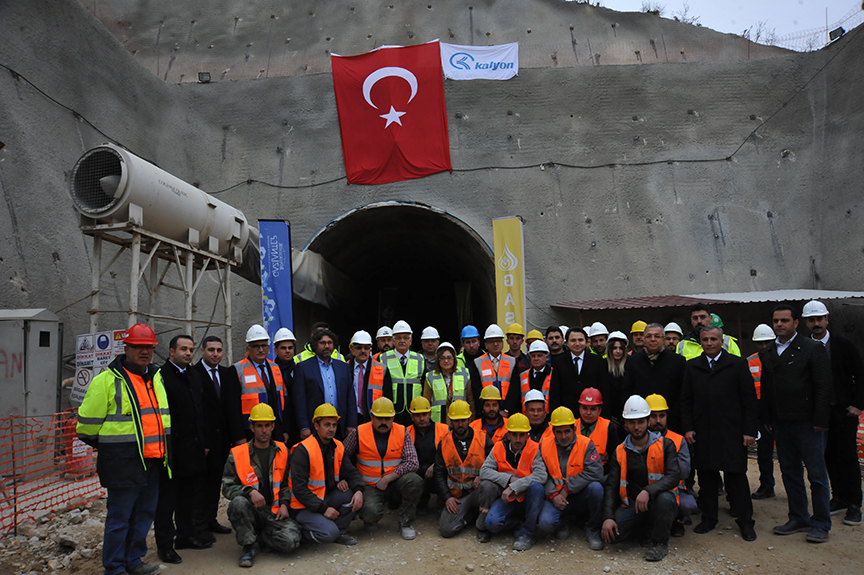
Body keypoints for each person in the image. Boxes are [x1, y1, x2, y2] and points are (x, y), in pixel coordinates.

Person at [76, 323, 170, 575]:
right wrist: (112, 448)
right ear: (126, 348)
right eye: (138, 347)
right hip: (122, 463)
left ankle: (134, 561)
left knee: (144, 515)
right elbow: (85, 428)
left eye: (148, 347)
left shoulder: (155, 378)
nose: (144, 352)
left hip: (152, 461)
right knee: (119, 519)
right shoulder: (105, 381)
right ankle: (115, 568)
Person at [760, 304, 833, 542]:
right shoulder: (770, 351)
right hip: (782, 423)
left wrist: (821, 420)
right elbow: (768, 388)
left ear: (796, 323)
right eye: (776, 321)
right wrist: (768, 417)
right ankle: (799, 517)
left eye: (784, 321)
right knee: (790, 473)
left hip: (808, 424)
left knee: (816, 475)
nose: (779, 325)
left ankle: (821, 522)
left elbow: (823, 386)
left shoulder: (812, 349)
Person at [680, 325, 758, 541]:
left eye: (714, 339)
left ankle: (745, 522)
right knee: (707, 478)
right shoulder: (693, 367)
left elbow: (749, 400)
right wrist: (688, 427)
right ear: (701, 342)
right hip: (704, 432)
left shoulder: (737, 364)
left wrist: (749, 431)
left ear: (721, 341)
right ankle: (709, 518)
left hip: (732, 432)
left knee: (737, 479)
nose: (709, 343)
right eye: (705, 340)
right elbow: (685, 401)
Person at [801, 300, 864, 526]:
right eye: (812, 320)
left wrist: (858, 405)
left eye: (820, 319)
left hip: (842, 412)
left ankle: (855, 504)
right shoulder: (804, 347)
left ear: (827, 320)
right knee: (827, 457)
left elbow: (860, 374)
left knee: (847, 457)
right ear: (806, 323)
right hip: (818, 414)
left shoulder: (843, 345)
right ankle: (839, 497)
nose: (816, 323)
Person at [601, 395, 680, 562]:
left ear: (648, 421)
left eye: (640, 422)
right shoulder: (620, 451)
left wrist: (648, 491)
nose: (636, 427)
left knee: (665, 498)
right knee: (614, 537)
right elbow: (611, 486)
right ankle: (647, 528)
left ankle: (659, 543)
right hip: (634, 504)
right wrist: (608, 517)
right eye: (632, 422)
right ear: (626, 424)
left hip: (660, 501)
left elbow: (674, 476)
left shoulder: (666, 445)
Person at [222, 403, 300, 567]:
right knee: (238, 503)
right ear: (252, 427)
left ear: (272, 426)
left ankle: (262, 536)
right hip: (250, 509)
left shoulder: (283, 450)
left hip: (275, 511)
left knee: (292, 542)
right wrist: (249, 491)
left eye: (267, 425)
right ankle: (248, 546)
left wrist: (285, 504)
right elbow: (227, 487)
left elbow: (287, 483)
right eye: (259, 426)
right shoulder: (237, 454)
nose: (263, 430)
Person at [155, 335, 211, 562]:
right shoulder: (161, 377)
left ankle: (186, 536)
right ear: (171, 352)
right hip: (171, 450)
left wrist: (204, 443)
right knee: (167, 501)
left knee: (189, 497)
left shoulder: (194, 375)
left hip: (193, 448)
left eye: (191, 350)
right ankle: (165, 545)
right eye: (183, 349)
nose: (188, 353)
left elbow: (200, 412)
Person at [343, 397, 423, 540]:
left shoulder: (402, 432)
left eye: (388, 418)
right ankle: (370, 519)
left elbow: (413, 462)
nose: (384, 422)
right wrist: (347, 479)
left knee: (414, 481)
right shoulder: (358, 432)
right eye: (379, 418)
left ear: (393, 418)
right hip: (369, 486)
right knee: (370, 513)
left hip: (394, 482)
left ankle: (405, 523)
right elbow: (340, 457)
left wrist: (388, 478)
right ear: (372, 417)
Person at [289, 403, 364, 546]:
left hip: (324, 499)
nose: (331, 429)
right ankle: (301, 533)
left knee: (352, 492)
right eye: (327, 425)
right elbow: (299, 489)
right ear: (316, 426)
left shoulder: (338, 446)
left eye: (334, 425)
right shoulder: (303, 450)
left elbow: (351, 472)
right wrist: (324, 510)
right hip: (303, 506)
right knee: (329, 533)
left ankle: (339, 531)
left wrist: (359, 490)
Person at [193, 335, 245, 538]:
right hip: (204, 442)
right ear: (202, 351)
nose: (216, 354)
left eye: (219, 350)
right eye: (211, 350)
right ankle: (198, 526)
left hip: (224, 441)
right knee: (200, 486)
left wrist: (238, 438)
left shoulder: (228, 373)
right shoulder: (194, 374)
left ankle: (211, 520)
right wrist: (202, 442)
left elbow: (234, 408)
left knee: (216, 483)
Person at [537, 406, 605, 550]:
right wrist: (553, 494)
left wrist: (567, 489)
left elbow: (597, 472)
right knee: (545, 524)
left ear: (574, 430)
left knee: (596, 488)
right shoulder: (544, 445)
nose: (564, 436)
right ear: (553, 431)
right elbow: (541, 474)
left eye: (567, 431)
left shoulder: (586, 444)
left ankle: (593, 529)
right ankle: (564, 521)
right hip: (555, 497)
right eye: (559, 432)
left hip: (578, 494)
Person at [480, 413, 548, 551]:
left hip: (528, 498)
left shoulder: (535, 448)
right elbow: (484, 471)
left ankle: (528, 534)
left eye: (522, 435)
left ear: (527, 435)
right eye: (514, 434)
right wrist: (509, 479)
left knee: (537, 488)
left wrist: (514, 486)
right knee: (492, 523)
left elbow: (541, 475)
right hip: (508, 500)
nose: (518, 439)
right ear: (508, 434)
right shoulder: (499, 447)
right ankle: (518, 524)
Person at [435, 400, 496, 540]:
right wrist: (447, 497)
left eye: (463, 420)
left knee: (489, 486)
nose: (460, 424)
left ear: (470, 419)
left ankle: (482, 525)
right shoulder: (444, 442)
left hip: (477, 492)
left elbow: (495, 465)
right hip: (456, 497)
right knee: (446, 530)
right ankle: (469, 516)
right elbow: (439, 473)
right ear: (451, 420)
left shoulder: (483, 439)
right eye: (456, 420)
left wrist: (482, 476)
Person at [646, 393, 696, 537]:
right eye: (653, 416)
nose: (658, 420)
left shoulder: (678, 440)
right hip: (647, 487)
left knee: (688, 504)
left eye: (661, 416)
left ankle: (677, 522)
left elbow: (685, 472)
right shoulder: (639, 439)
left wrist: (665, 454)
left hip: (675, 489)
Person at [293, 329, 357, 441]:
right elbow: (299, 400)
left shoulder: (343, 367)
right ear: (315, 345)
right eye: (322, 343)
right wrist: (304, 427)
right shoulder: (303, 368)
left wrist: (351, 424)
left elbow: (350, 398)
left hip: (339, 426)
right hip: (315, 426)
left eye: (330, 343)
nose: (327, 346)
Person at [624, 323, 687, 432]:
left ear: (663, 339)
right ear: (644, 339)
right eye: (649, 336)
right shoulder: (632, 361)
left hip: (672, 422)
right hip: (641, 422)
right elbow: (627, 390)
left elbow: (683, 393)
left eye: (657, 336)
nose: (653, 339)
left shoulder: (678, 362)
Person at [234, 325, 287, 442]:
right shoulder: (237, 369)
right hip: (250, 431)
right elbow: (233, 408)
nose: (261, 350)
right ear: (248, 348)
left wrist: (284, 430)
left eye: (264, 346)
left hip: (274, 428)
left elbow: (283, 400)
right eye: (256, 346)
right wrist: (239, 436)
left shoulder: (275, 367)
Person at [747, 324, 777, 501]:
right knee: (764, 452)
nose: (764, 346)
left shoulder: (781, 359)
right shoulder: (749, 362)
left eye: (767, 342)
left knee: (792, 453)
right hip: (757, 410)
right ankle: (767, 485)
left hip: (779, 410)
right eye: (760, 343)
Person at [406, 396, 449, 514]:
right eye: (417, 415)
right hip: (417, 473)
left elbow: (451, 453)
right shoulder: (406, 433)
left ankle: (443, 502)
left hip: (438, 471)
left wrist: (435, 465)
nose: (422, 418)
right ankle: (420, 502)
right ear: (412, 417)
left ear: (430, 414)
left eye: (424, 414)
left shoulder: (444, 429)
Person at [380, 320, 427, 426]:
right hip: (393, 411)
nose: (402, 341)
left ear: (411, 340)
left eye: (406, 337)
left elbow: (424, 385)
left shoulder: (420, 359)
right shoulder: (383, 358)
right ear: (393, 340)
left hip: (415, 411)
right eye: (398, 338)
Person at [549, 327, 604, 414]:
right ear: (566, 342)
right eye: (573, 340)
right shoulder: (559, 362)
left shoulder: (598, 361)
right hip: (567, 412)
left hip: (591, 412)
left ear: (586, 342)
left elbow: (604, 389)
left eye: (580, 340)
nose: (577, 343)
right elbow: (555, 392)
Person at [423, 342, 475, 424]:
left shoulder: (465, 373)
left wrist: (472, 419)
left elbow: (470, 398)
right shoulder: (430, 377)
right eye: (442, 358)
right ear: (438, 360)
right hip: (438, 421)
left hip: (460, 419)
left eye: (449, 358)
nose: (446, 361)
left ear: (454, 359)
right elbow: (426, 401)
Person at [574, 388, 620, 475]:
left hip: (600, 474)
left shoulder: (608, 427)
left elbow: (614, 457)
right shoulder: (572, 427)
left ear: (600, 411)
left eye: (593, 409)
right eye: (585, 408)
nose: (588, 413)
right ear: (579, 409)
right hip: (575, 474)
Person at [474, 324, 517, 416]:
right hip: (486, 412)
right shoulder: (478, 362)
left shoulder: (511, 361)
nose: (495, 344)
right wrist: (484, 409)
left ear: (503, 343)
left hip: (507, 413)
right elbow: (476, 389)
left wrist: (507, 410)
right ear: (486, 345)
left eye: (498, 340)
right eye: (491, 341)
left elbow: (514, 388)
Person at [676, 305, 741, 360]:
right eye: (695, 318)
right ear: (691, 320)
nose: (699, 321)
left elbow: (737, 367)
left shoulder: (728, 342)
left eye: (702, 317)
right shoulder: (682, 345)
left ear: (710, 318)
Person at [507, 340, 552, 416]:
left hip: (547, 417)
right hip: (526, 418)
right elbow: (516, 399)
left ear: (546, 357)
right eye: (533, 356)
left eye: (539, 355)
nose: (536, 358)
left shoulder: (554, 374)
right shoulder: (522, 375)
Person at [348, 330, 383, 424]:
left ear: (370, 350)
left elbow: (387, 397)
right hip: (350, 418)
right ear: (352, 350)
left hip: (373, 418)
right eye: (359, 348)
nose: (363, 351)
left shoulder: (382, 369)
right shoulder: (344, 368)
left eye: (366, 348)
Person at [272, 328, 298, 444]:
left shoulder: (299, 368)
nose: (287, 351)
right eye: (283, 348)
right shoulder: (270, 370)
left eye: (290, 348)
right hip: (279, 423)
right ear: (276, 350)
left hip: (297, 422)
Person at [602, 331, 629, 423]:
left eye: (620, 348)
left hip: (628, 415)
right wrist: (608, 415)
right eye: (614, 348)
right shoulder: (603, 366)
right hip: (610, 416)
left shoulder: (630, 366)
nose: (618, 351)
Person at [456, 325, 484, 407]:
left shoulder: (487, 359)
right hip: (464, 404)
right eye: (468, 342)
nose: (471, 345)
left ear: (479, 342)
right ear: (463, 344)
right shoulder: (457, 361)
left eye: (474, 341)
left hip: (484, 404)